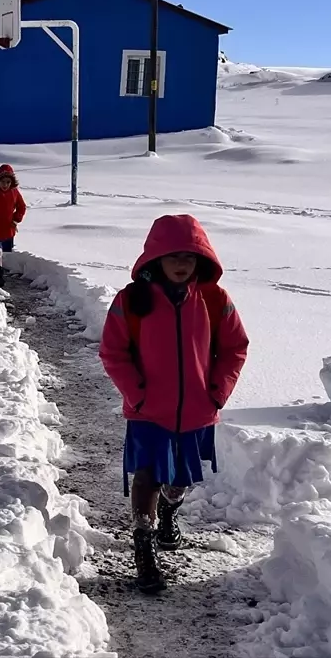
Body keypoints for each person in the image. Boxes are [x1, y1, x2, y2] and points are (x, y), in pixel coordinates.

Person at [98, 214, 249, 594]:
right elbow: (113, 352)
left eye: (190, 256)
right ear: (156, 257)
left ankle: (169, 511)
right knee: (147, 477)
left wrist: (217, 393)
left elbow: (235, 348)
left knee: (179, 480)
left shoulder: (215, 300)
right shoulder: (131, 301)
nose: (182, 264)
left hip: (197, 410)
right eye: (173, 256)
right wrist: (138, 394)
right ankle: (144, 546)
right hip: (149, 412)